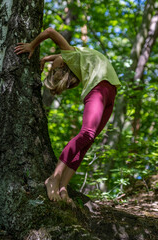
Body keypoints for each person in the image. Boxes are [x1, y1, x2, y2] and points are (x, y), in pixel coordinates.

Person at [14, 27, 121, 206]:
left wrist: (38, 51)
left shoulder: (74, 57)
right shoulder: (72, 56)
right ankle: (54, 178)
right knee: (86, 134)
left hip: (110, 92)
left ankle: (63, 187)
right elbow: (52, 36)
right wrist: (34, 48)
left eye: (52, 68)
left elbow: (54, 44)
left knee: (87, 142)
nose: (51, 66)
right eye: (53, 70)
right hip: (99, 89)